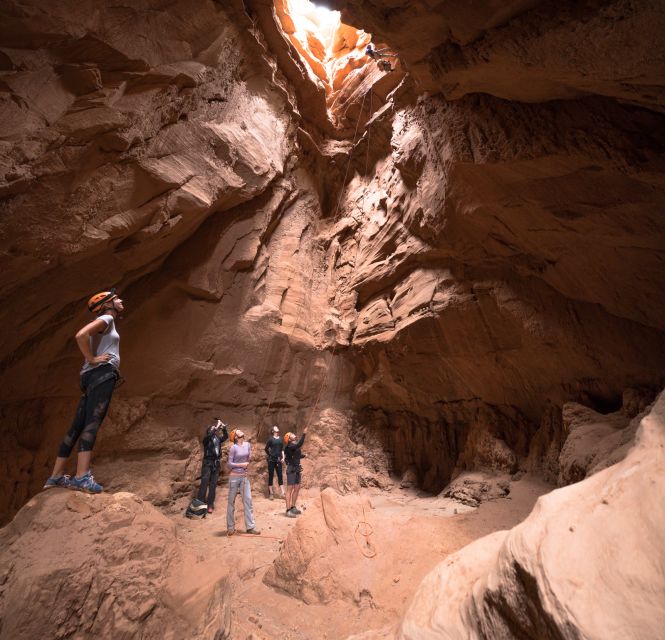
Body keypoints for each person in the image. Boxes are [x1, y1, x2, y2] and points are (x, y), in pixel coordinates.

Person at [43, 288, 124, 493]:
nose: (121, 300)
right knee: (92, 424)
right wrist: (93, 358)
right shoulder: (107, 318)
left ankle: (55, 476)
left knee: (77, 426)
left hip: (90, 377)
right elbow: (81, 334)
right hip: (101, 375)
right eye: (116, 298)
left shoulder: (107, 321)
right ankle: (81, 477)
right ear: (107, 304)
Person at [227, 430, 261, 536]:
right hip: (234, 477)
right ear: (236, 437)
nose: (240, 430)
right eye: (237, 431)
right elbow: (229, 464)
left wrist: (250, 456)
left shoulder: (247, 445)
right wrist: (242, 465)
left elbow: (249, 457)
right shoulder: (233, 448)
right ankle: (231, 528)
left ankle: (250, 527)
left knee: (248, 500)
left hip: (244, 477)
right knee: (231, 502)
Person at [197, 418, 229, 513]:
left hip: (216, 463)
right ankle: (200, 504)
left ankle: (210, 504)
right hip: (208, 463)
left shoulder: (218, 439)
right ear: (209, 431)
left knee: (213, 485)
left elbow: (226, 436)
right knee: (204, 483)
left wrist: (223, 428)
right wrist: (216, 426)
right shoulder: (206, 440)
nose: (214, 429)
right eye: (212, 429)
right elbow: (210, 434)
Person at [284, 425, 308, 518]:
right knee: (289, 489)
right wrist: (304, 434)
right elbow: (299, 445)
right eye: (292, 434)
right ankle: (288, 510)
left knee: (297, 488)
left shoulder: (293, 446)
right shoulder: (289, 446)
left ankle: (293, 507)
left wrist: (304, 456)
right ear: (289, 439)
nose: (294, 435)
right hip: (291, 469)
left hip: (297, 468)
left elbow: (296, 454)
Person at [264, 425, 285, 500]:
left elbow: (282, 449)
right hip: (271, 460)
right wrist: (270, 455)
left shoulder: (280, 439)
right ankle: (271, 493)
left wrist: (283, 457)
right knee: (271, 475)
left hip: (279, 460)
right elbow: (266, 449)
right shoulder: (270, 439)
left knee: (280, 475)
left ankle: (283, 493)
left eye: (277, 428)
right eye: (275, 428)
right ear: (273, 431)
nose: (277, 428)